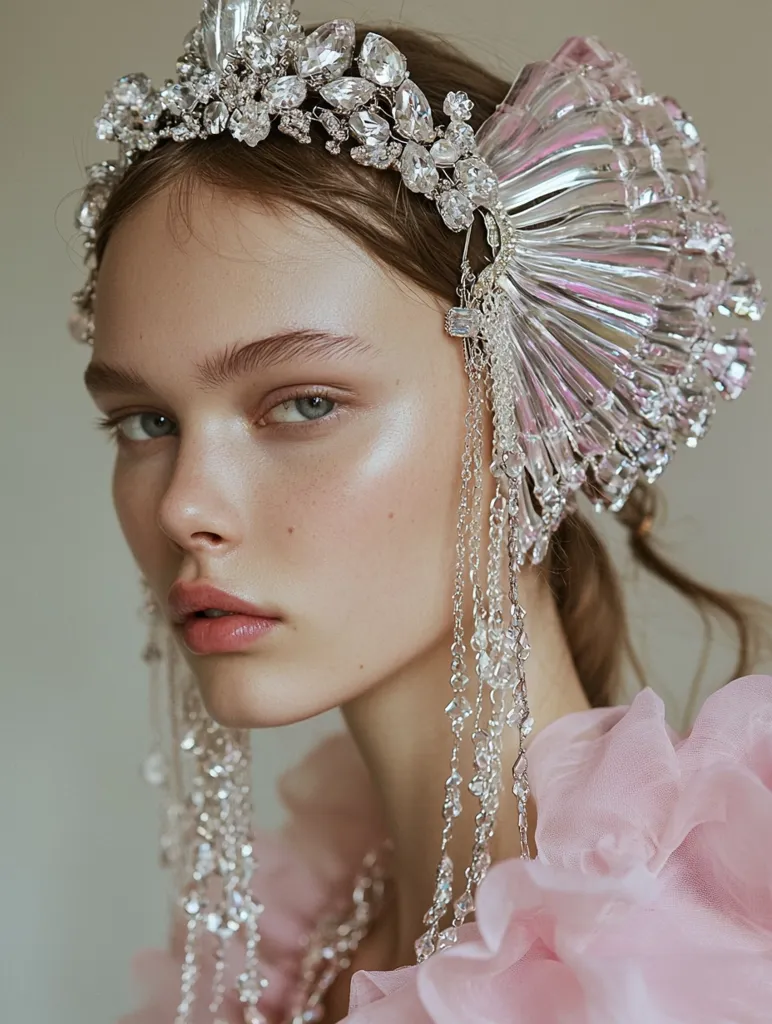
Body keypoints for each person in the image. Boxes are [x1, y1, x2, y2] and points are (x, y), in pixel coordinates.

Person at [69, 2, 772, 1021]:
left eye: (304, 402)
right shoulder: (310, 930)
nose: (184, 506)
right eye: (143, 420)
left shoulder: (686, 964)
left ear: (530, 397)